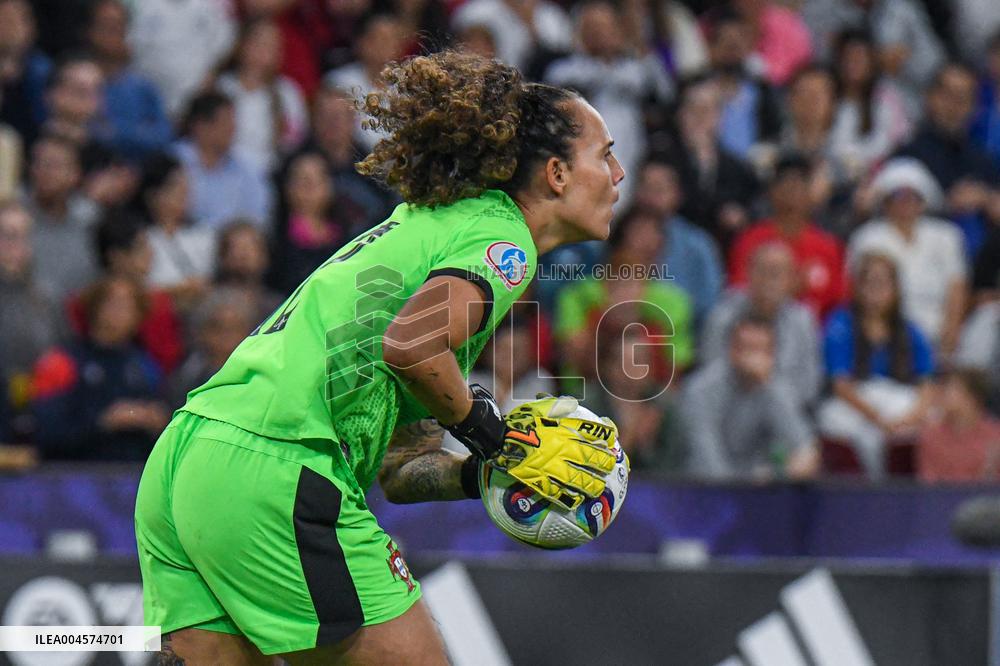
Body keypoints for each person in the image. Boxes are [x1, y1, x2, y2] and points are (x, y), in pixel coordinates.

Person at [136, 51, 625, 664]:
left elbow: (401, 467)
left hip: (190, 458)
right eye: (605, 154)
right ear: (556, 174)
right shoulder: (504, 242)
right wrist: (491, 435)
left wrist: (487, 474)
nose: (619, 173)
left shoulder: (434, 229)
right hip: (280, 465)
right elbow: (412, 344)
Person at [818, 252, 935, 479]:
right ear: (857, 287)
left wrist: (910, 417)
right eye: (870, 283)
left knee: (930, 421)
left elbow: (927, 385)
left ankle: (903, 483)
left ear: (896, 289)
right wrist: (877, 420)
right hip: (857, 402)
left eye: (883, 283)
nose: (876, 291)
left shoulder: (909, 329)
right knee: (832, 419)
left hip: (898, 402)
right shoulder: (841, 323)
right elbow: (841, 385)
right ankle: (856, 483)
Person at [33, 275, 170, 461]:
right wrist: (103, 421)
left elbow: (162, 418)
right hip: (76, 470)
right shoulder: (62, 362)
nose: (121, 313)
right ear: (94, 307)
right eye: (114, 303)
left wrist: (157, 420)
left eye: (130, 306)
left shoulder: (145, 365)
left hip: (134, 469)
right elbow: (45, 431)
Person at [847, 158, 968, 357]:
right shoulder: (867, 237)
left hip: (938, 334)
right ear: (885, 201)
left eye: (913, 196)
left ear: (924, 200)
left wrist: (949, 340)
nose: (906, 202)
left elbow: (957, 288)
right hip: (886, 336)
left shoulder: (947, 236)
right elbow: (859, 292)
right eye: (898, 196)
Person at [682, 315, 819, 481]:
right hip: (705, 488)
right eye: (748, 348)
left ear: (772, 356)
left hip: (759, 487)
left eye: (761, 350)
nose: (754, 358)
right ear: (732, 350)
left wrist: (768, 386)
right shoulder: (700, 390)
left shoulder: (776, 389)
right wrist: (743, 489)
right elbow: (707, 461)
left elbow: (805, 452)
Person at [702, 242, 822, 407]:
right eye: (763, 271)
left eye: (777, 273)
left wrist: (769, 386)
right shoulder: (723, 315)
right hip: (729, 406)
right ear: (748, 273)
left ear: (792, 280)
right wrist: (744, 374)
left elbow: (809, 385)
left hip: (785, 408)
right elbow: (708, 372)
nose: (769, 280)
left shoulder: (803, 320)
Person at [729, 153, 847, 319]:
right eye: (785, 184)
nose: (792, 191)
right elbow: (738, 294)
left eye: (799, 184)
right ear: (772, 191)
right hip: (759, 327)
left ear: (810, 192)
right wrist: (783, 289)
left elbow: (838, 302)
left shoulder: (828, 247)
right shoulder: (751, 240)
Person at [217, 17, 309, 173]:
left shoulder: (287, 93)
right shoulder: (223, 87)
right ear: (242, 45)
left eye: (273, 46)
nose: (264, 51)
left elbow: (294, 141)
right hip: (224, 171)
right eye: (259, 43)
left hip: (269, 172)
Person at [174, 91, 272, 231]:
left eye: (233, 122)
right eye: (225, 123)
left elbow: (258, 218)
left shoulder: (247, 168)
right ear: (201, 126)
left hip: (231, 241)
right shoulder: (174, 161)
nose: (232, 129)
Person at [132, 153, 215, 306]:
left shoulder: (203, 234)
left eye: (186, 187)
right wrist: (182, 289)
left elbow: (210, 283)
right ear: (153, 195)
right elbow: (137, 289)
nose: (185, 194)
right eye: (176, 187)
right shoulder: (140, 237)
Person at [918, 368, 1000, 482]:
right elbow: (928, 483)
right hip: (942, 493)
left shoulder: (995, 435)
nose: (944, 395)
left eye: (952, 390)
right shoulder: (931, 436)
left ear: (972, 398)